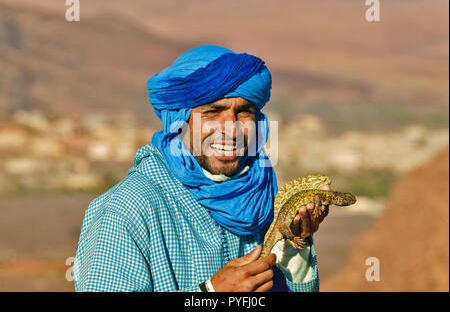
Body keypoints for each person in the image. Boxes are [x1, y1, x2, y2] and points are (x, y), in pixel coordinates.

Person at [73, 45, 330, 292]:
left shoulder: (261, 198)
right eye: (212, 112)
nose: (231, 130)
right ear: (179, 119)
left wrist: (295, 246)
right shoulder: (128, 210)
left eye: (244, 112)